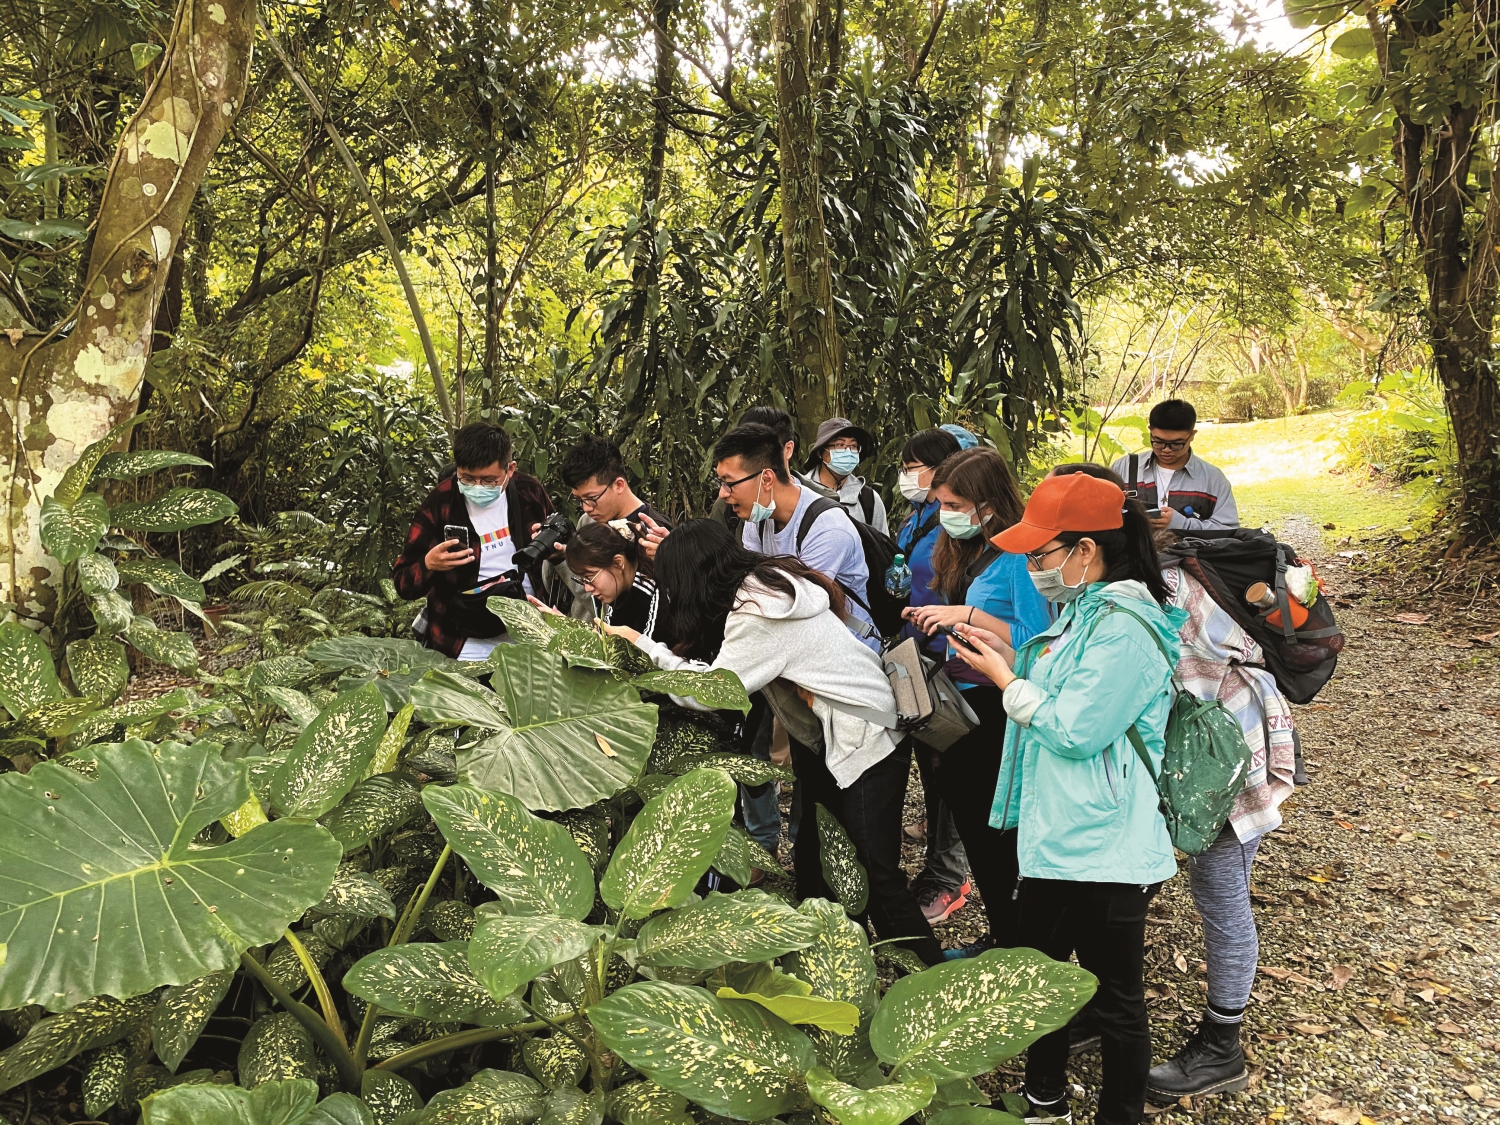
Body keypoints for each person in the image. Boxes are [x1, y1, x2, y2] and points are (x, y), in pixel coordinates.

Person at [948, 471, 1185, 1125]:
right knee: (1039, 982)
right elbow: (1061, 687)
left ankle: (1120, 1115)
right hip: (1057, 836)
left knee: (1116, 1001)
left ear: (1086, 550)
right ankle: (1045, 1100)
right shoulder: (1086, 608)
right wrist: (1008, 654)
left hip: (1106, 846)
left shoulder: (1128, 626)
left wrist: (1003, 680)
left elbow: (1077, 728)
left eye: (1040, 553)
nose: (1031, 566)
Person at [604, 519, 942, 966]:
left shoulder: (757, 614)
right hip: (836, 735)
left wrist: (644, 648)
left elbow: (713, 693)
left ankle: (928, 974)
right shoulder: (765, 582)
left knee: (875, 874)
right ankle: (834, 962)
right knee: (821, 859)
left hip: (868, 739)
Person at [901, 448, 1052, 942]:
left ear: (986, 503)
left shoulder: (1017, 557)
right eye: (940, 503)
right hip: (959, 695)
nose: (945, 514)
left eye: (953, 503)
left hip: (996, 704)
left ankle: (1016, 941)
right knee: (969, 820)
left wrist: (965, 617)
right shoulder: (967, 549)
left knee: (994, 836)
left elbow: (1035, 637)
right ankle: (1002, 933)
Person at [393, 422, 556, 660]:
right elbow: (402, 583)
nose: (477, 487)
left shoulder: (528, 492)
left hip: (529, 633)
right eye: (467, 479)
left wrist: (557, 552)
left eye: (489, 480)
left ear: (510, 470)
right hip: (462, 641)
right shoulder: (441, 502)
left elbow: (555, 543)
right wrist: (428, 564)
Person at [893, 427, 969, 923]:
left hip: (954, 665)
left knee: (954, 776)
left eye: (916, 466)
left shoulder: (957, 523)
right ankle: (935, 867)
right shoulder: (919, 514)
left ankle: (949, 876)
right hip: (917, 657)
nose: (908, 476)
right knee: (933, 772)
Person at [714, 423, 877, 643]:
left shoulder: (828, 528)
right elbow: (749, 582)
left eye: (729, 483)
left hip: (846, 652)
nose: (723, 493)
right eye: (721, 482)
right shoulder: (758, 515)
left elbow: (794, 605)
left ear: (767, 480)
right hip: (796, 643)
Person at [1110, 399, 1238, 533]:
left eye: (1176, 444)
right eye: (1158, 442)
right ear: (1150, 431)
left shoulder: (1212, 479)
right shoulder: (1125, 467)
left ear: (1192, 435)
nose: (1166, 450)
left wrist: (1183, 524)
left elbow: (1228, 530)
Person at [561, 520, 668, 641]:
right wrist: (563, 625)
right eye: (582, 580)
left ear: (618, 563)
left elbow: (651, 656)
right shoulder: (621, 590)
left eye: (589, 577)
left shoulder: (654, 593)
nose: (587, 588)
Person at [559, 435, 673, 536]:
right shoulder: (588, 521)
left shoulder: (656, 533)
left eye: (592, 498)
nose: (586, 508)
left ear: (619, 485)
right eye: (579, 499)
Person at [799, 417, 889, 533]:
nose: (848, 451)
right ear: (820, 452)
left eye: (853, 446)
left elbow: (882, 547)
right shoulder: (800, 492)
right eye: (840, 445)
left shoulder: (868, 499)